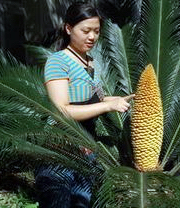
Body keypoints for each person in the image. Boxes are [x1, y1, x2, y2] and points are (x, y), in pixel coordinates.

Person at [35, 2, 134, 207]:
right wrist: (108, 107)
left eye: (96, 31)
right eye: (86, 30)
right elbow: (63, 110)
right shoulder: (58, 62)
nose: (92, 37)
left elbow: (90, 98)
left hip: (87, 153)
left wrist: (115, 100)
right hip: (59, 155)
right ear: (69, 29)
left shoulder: (90, 62)